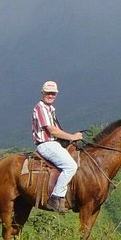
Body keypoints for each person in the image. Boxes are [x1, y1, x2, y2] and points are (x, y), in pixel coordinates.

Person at [32, 81, 83, 213]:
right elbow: (52, 131)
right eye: (48, 93)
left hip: (54, 144)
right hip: (46, 145)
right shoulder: (41, 108)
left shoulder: (50, 109)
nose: (51, 95)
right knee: (71, 166)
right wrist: (72, 137)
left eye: (53, 93)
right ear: (42, 93)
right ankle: (55, 197)